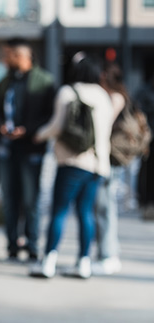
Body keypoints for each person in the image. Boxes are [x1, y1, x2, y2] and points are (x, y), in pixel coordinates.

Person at [31, 52, 116, 279]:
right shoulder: (103, 95)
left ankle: (48, 260)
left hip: (72, 161)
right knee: (85, 213)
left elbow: (57, 126)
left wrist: (37, 135)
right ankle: (84, 262)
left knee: (59, 211)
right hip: (98, 164)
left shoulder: (68, 92)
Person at [0, 37, 55, 262]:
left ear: (22, 56)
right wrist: (1, 125)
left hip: (31, 149)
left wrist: (28, 129)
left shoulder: (44, 81)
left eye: (10, 55)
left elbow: (50, 115)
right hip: (6, 150)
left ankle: (33, 244)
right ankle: (12, 245)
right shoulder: (6, 81)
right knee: (9, 199)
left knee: (31, 199)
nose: (6, 59)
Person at [93, 62, 129, 275]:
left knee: (105, 205)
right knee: (105, 205)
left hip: (110, 159)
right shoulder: (118, 96)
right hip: (110, 158)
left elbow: (103, 125)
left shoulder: (115, 98)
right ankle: (110, 250)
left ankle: (108, 254)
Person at [135, 77, 154, 220]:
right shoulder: (145, 92)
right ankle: (146, 203)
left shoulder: (144, 92)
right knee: (147, 173)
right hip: (148, 140)